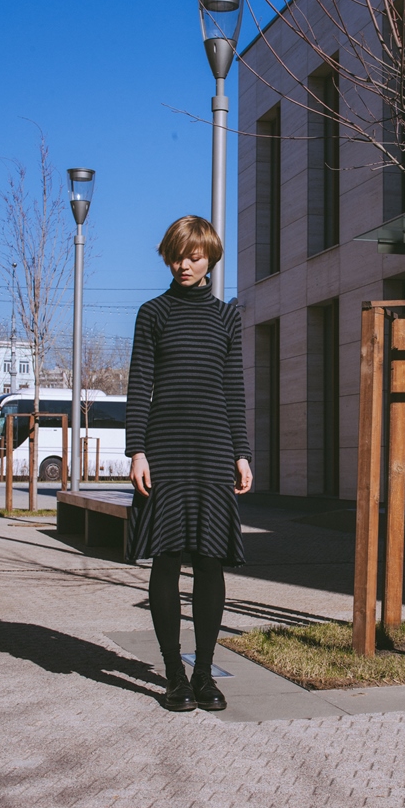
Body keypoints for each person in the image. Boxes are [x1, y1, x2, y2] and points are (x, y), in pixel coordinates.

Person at [125, 215, 252, 712]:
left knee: (209, 560)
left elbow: (233, 389)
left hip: (214, 449)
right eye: (177, 256)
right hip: (165, 449)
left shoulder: (226, 317)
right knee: (167, 557)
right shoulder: (152, 314)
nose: (185, 264)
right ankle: (173, 675)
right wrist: (137, 450)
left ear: (209, 259)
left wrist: (241, 453)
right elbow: (140, 385)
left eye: (194, 257)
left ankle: (204, 674)